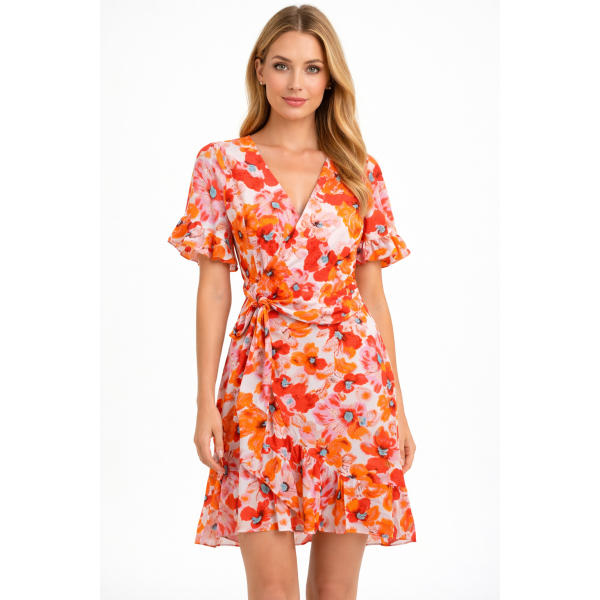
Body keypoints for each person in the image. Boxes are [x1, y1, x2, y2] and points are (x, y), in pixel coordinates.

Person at [167, 5, 417, 599]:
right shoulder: (221, 164)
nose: (296, 83)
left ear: (331, 79)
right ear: (259, 71)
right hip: (259, 383)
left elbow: (373, 296)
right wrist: (205, 402)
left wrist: (399, 407)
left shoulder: (359, 171)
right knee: (272, 592)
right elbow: (214, 288)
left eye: (312, 68)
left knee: (334, 591)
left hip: (354, 389)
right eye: (281, 66)